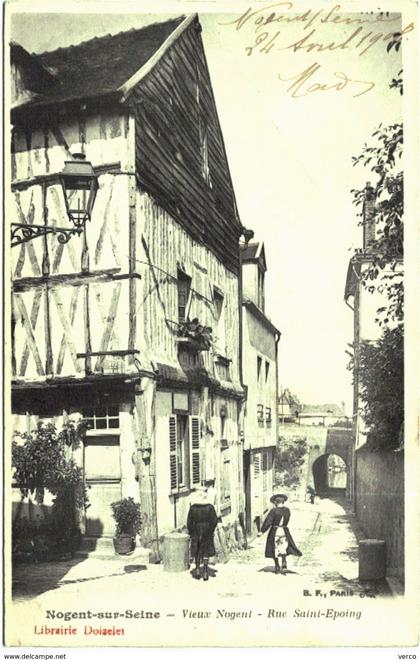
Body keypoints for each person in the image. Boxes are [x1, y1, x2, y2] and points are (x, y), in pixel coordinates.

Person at [260, 493, 302, 574]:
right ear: (283, 502)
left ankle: (277, 565)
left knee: (274, 548)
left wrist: (262, 531)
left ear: (276, 502)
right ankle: (284, 561)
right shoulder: (287, 510)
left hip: (275, 531)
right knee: (283, 547)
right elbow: (287, 519)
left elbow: (268, 522)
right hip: (284, 530)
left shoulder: (273, 511)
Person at [187, 486, 218, 581]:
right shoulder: (210, 507)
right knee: (205, 550)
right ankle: (205, 570)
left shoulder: (193, 508)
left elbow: (189, 521)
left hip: (196, 529)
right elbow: (214, 520)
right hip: (207, 530)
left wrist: (191, 531)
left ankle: (196, 569)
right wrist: (211, 529)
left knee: (197, 549)